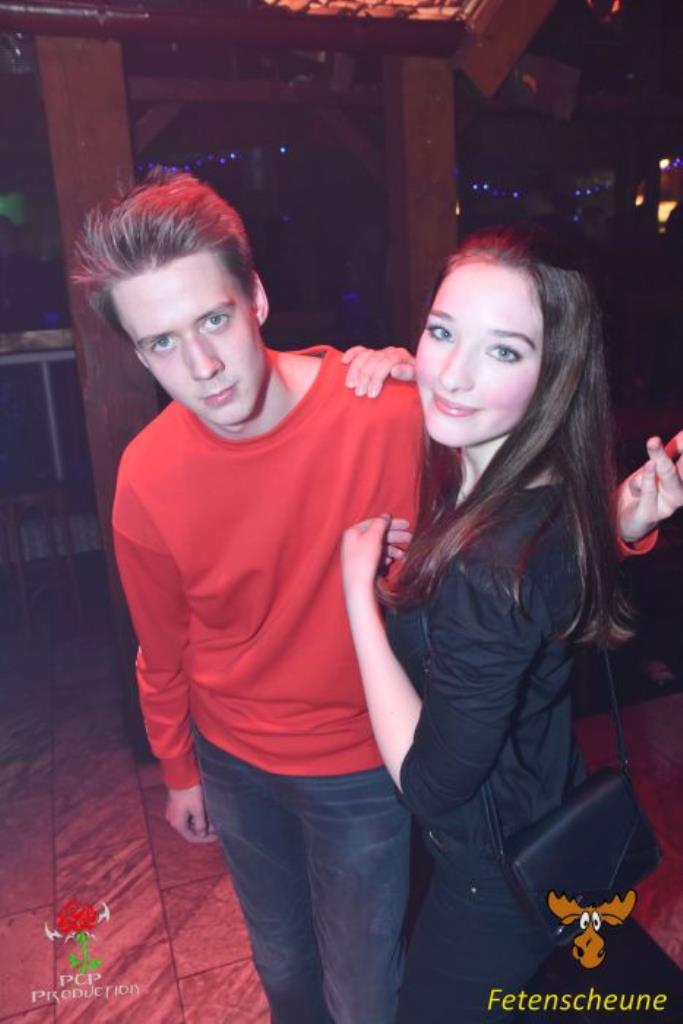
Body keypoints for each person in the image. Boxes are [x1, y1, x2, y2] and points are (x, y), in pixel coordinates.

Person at [74, 175, 681, 1024]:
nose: (201, 366)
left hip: (364, 768)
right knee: (281, 964)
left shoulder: (399, 409)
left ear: (255, 298)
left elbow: (516, 532)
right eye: (162, 342)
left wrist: (620, 522)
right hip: (234, 759)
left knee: (364, 991)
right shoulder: (145, 474)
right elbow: (162, 643)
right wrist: (177, 767)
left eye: (212, 320)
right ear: (139, 355)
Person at [340, 225, 682, 1024]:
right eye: (441, 332)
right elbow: (546, 574)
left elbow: (430, 786)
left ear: (554, 374)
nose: (452, 375)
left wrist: (356, 596)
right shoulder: (543, 479)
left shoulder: (488, 566)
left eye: (503, 351)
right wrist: (624, 516)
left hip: (487, 882)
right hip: (543, 812)